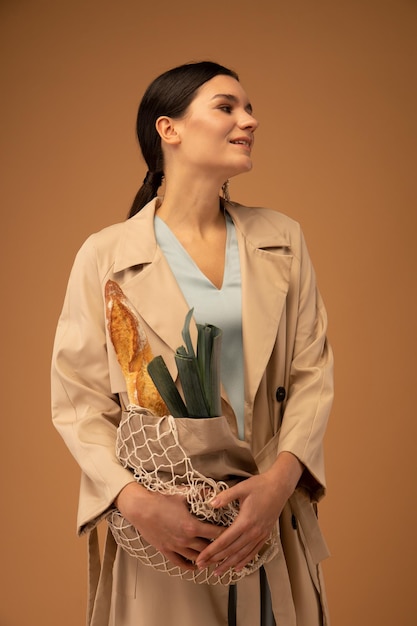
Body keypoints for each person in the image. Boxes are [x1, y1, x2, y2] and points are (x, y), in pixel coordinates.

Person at [51, 61, 334, 626]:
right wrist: (137, 504)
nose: (249, 120)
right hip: (165, 535)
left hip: (269, 521)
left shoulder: (283, 239)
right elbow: (78, 400)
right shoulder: (105, 256)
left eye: (249, 109)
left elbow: (311, 375)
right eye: (227, 107)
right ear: (168, 129)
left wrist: (278, 486)